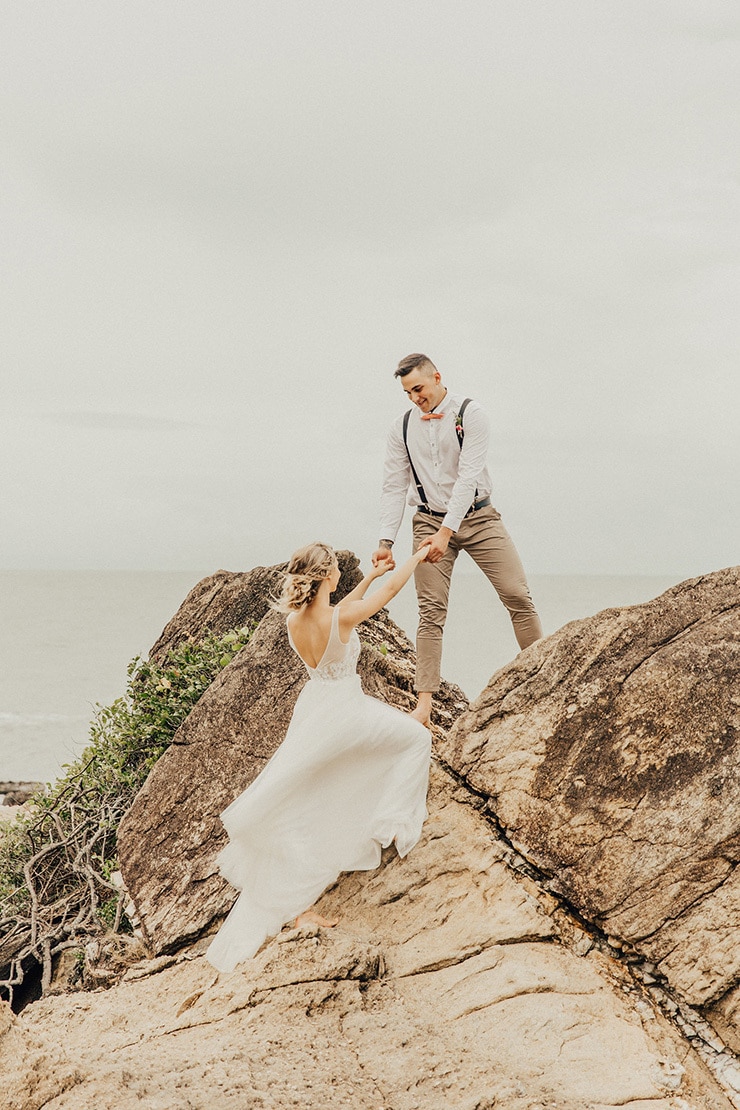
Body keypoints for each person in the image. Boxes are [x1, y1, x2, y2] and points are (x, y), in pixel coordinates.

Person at [206, 540, 433, 973]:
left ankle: (297, 899)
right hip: (346, 712)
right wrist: (416, 558)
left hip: (316, 708)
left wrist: (369, 575)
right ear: (328, 576)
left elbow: (343, 610)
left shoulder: (295, 620)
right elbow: (382, 600)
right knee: (416, 741)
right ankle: (392, 821)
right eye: (337, 574)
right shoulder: (338, 617)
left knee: (311, 797)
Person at [373, 352, 542, 727]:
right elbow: (394, 485)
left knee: (517, 595)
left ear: (436, 377)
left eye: (418, 388)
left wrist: (446, 533)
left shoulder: (472, 413)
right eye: (407, 392)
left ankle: (545, 677)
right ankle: (425, 705)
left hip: (479, 517)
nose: (415, 397)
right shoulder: (401, 427)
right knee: (430, 613)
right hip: (428, 521)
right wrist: (386, 541)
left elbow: (468, 478)